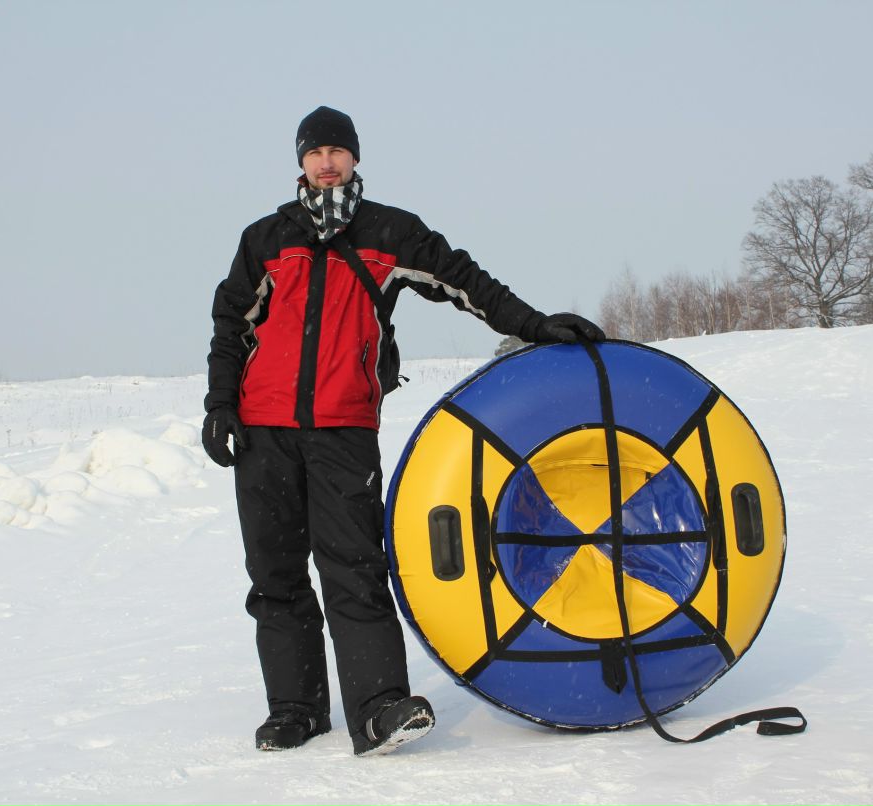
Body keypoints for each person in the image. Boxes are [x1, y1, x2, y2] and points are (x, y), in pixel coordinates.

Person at [202, 105, 604, 757]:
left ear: (354, 159)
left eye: (338, 150)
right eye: (315, 151)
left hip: (343, 430)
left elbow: (466, 283)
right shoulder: (266, 238)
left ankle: (379, 706)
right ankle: (295, 710)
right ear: (301, 162)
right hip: (263, 430)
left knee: (356, 567)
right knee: (274, 575)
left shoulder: (390, 232)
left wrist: (534, 325)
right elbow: (230, 323)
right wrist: (220, 403)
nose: (326, 161)